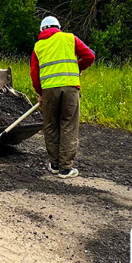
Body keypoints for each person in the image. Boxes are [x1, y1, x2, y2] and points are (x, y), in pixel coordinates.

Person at [30, 16, 96, 179]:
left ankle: (54, 165)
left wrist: (40, 93)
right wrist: (78, 67)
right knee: (68, 125)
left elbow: (34, 73)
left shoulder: (38, 46)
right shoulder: (70, 38)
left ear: (42, 30)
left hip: (49, 91)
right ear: (58, 27)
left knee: (50, 126)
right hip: (70, 88)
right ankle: (65, 168)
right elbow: (89, 56)